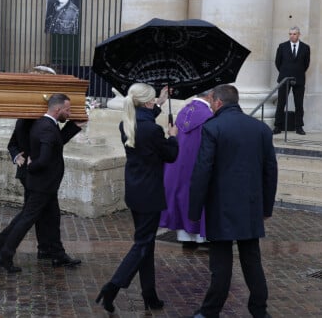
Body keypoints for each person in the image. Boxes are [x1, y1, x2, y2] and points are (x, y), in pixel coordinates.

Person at [189, 84, 278, 318]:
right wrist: (266, 207)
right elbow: (271, 171)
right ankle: (259, 310)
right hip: (250, 206)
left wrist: (194, 209)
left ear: (218, 102)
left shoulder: (213, 127)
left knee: (221, 264)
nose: (210, 105)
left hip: (221, 206)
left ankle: (210, 311)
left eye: (211, 102)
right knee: (252, 261)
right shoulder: (260, 129)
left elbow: (202, 170)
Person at [96, 84, 178, 313]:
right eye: (153, 101)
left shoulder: (127, 124)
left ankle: (149, 294)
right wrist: (172, 137)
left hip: (134, 190)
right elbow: (171, 155)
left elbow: (144, 117)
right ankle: (112, 287)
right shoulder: (152, 130)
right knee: (143, 244)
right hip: (150, 194)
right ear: (147, 103)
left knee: (147, 244)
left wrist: (160, 100)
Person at [0, 93, 84, 273]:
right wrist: (31, 166)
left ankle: (56, 253)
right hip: (41, 181)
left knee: (52, 216)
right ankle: (4, 253)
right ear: (57, 109)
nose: (71, 112)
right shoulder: (42, 126)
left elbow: (55, 142)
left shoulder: (44, 124)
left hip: (46, 183)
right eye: (68, 109)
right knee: (27, 218)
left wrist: (74, 126)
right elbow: (43, 156)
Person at [159, 90, 213, 248]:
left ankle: (185, 238)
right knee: (196, 196)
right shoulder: (208, 115)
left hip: (179, 162)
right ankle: (200, 238)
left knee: (182, 196)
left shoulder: (184, 110)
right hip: (197, 162)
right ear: (209, 96)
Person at [273, 26, 310, 135]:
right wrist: (285, 72)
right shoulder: (282, 46)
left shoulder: (305, 47)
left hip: (299, 79)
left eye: (294, 34)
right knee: (281, 103)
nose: (292, 36)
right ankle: (277, 126)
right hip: (284, 79)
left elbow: (306, 64)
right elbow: (277, 62)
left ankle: (299, 127)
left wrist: (297, 72)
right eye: (290, 34)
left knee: (299, 104)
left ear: (299, 35)